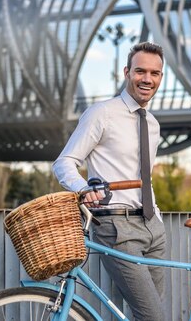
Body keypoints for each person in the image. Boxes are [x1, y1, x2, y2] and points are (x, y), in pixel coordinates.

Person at [53, 42, 166, 321]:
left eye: (155, 73)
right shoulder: (101, 113)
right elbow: (64, 162)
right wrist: (82, 189)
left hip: (153, 226)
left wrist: (157, 219)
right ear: (127, 72)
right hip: (116, 227)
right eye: (140, 71)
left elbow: (144, 176)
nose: (147, 79)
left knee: (150, 315)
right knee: (153, 317)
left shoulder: (152, 123)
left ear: (161, 77)